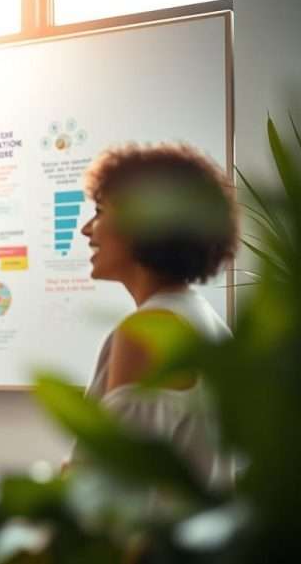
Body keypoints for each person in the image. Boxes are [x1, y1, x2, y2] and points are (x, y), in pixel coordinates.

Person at [76, 143, 239, 488]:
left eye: (100, 212)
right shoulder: (199, 315)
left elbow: (113, 489)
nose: (87, 230)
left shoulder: (148, 329)